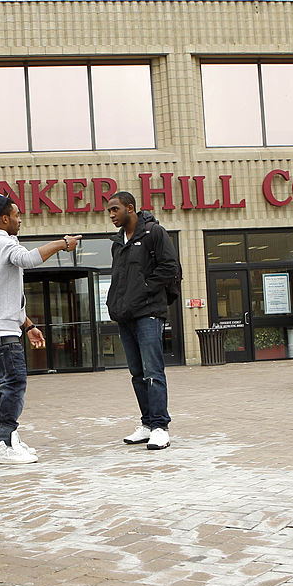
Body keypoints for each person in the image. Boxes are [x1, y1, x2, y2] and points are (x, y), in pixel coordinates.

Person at [0, 193, 80, 465]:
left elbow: (5, 294)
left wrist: (29, 325)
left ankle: (8, 439)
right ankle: (4, 443)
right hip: (2, 332)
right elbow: (29, 259)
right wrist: (63, 243)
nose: (20, 219)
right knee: (14, 384)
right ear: (4, 219)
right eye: (16, 214)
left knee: (4, 388)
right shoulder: (1, 242)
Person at [105, 192, 180, 450]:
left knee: (153, 372)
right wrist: (113, 303)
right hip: (126, 316)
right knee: (137, 374)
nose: (112, 215)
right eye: (109, 211)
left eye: (115, 209)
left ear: (130, 208)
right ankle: (147, 424)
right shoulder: (118, 243)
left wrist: (145, 288)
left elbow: (170, 268)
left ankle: (161, 426)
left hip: (149, 313)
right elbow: (119, 278)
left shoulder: (154, 233)